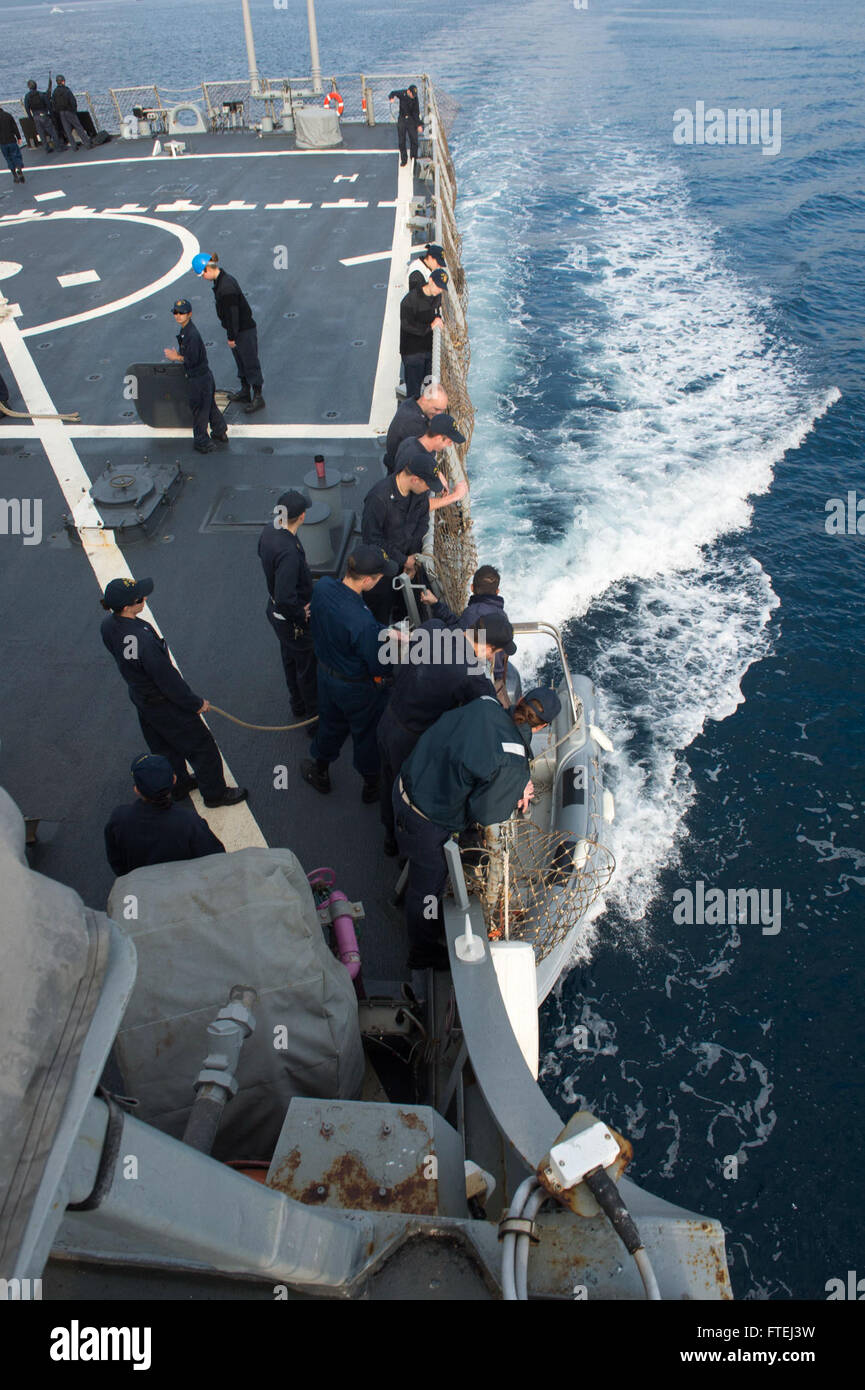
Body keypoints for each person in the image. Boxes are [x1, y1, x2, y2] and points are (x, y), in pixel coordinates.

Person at [394, 687, 562, 972]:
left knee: (409, 850)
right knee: (427, 893)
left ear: (519, 701)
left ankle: (398, 849)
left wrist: (514, 777)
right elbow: (486, 813)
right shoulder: (514, 762)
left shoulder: (485, 704)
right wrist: (514, 788)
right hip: (425, 823)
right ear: (543, 725)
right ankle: (421, 952)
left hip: (403, 785)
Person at [100, 575, 248, 809]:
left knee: (163, 746)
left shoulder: (108, 626)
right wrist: (194, 703)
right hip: (164, 703)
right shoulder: (143, 640)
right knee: (202, 745)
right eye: (140, 598)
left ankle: (178, 785)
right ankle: (215, 794)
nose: (144, 598)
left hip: (142, 699)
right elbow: (167, 680)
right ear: (128, 607)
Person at [377, 612, 516, 857]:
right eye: (494, 652)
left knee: (386, 778)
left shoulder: (433, 627)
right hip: (411, 740)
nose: (493, 657)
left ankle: (388, 836)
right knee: (406, 793)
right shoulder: (471, 674)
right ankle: (403, 849)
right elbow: (490, 715)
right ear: (487, 646)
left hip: (388, 718)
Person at [300, 545, 398, 801]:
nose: (379, 581)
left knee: (330, 725)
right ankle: (371, 787)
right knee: (365, 736)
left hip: (327, 676)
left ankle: (320, 771)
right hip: (357, 688)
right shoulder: (363, 622)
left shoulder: (323, 587)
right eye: (378, 578)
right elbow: (378, 664)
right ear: (367, 580)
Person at [361, 415, 468, 624]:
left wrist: (413, 558)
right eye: (427, 484)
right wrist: (403, 560)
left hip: (408, 564)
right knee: (378, 618)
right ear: (415, 478)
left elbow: (422, 521)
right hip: (381, 572)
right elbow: (372, 540)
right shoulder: (378, 498)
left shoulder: (417, 493)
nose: (429, 489)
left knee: (407, 612)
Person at [105, 754, 225, 878]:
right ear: (174, 779)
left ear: (137, 790)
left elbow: (116, 860)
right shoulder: (189, 822)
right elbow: (214, 858)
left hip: (142, 886)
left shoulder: (119, 818)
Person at [258, 489, 317, 725]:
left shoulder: (269, 531)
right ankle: (313, 721)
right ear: (301, 517)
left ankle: (297, 705)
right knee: (307, 670)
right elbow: (285, 597)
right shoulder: (289, 553)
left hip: (277, 616)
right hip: (292, 620)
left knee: (289, 660)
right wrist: (301, 614)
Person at [192, 251, 264, 414]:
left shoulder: (226, 287)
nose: (202, 278)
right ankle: (245, 391)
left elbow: (233, 315)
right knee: (241, 362)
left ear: (207, 270)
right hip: (239, 330)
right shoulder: (221, 282)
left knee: (250, 362)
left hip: (243, 331)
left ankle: (258, 397)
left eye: (202, 274)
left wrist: (232, 336)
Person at [422, 564, 512, 695]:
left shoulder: (471, 613)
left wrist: (436, 605)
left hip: (479, 677)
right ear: (497, 592)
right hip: (497, 675)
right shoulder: (502, 617)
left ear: (472, 588)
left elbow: (456, 630)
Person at [163, 298, 228, 454]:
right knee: (210, 406)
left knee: (199, 411)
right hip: (205, 377)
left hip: (198, 380)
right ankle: (220, 431)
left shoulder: (190, 335)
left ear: (189, 314)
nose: (178, 316)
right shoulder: (188, 332)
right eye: (176, 313)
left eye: (181, 313)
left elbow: (191, 360)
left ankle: (202, 442)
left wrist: (176, 357)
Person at [399, 267, 449, 400]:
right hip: (413, 354)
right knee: (413, 393)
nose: (439, 290)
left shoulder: (437, 297)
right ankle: (412, 417)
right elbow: (407, 325)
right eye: (438, 286)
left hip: (428, 353)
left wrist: (438, 319)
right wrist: (430, 326)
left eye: (441, 288)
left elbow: (436, 312)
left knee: (429, 388)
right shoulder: (410, 300)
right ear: (430, 280)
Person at [382, 380, 448, 473]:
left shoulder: (410, 403)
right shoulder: (413, 423)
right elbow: (426, 455)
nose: (439, 414)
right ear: (425, 399)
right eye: (436, 409)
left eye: (442, 410)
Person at [51, 75, 93, 151]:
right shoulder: (67, 90)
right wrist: (74, 110)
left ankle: (74, 147)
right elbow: (73, 101)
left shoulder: (55, 92)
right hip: (69, 111)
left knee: (67, 130)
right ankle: (87, 143)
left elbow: (53, 104)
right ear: (63, 81)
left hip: (61, 113)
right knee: (78, 127)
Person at [388, 84, 423, 167]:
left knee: (414, 140)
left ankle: (413, 158)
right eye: (411, 94)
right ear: (408, 91)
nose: (412, 96)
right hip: (402, 119)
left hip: (411, 120)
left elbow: (416, 112)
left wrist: (418, 125)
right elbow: (392, 93)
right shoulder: (402, 93)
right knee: (401, 141)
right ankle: (404, 159)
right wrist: (391, 98)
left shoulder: (415, 98)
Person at [23, 75, 60, 154]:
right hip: (43, 114)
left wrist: (30, 117)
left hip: (35, 116)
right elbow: (48, 105)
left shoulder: (27, 96)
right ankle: (58, 146)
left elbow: (27, 107)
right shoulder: (41, 94)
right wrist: (52, 115)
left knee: (41, 133)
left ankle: (47, 148)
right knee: (52, 131)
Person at [0, 106, 25, 183]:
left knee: (8, 158)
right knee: (16, 156)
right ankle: (19, 168)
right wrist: (19, 138)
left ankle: (15, 176)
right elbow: (14, 127)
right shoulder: (8, 115)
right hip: (11, 140)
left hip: (2, 143)